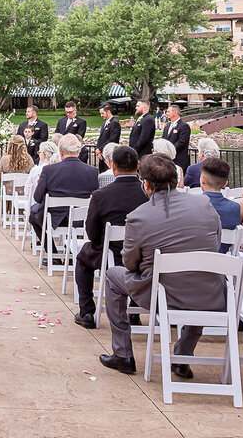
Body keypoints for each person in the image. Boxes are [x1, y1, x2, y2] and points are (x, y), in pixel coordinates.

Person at [98, 154, 223, 377]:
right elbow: (215, 244)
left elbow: (129, 263)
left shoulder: (139, 216)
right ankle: (183, 355)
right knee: (200, 276)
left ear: (145, 184)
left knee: (112, 275)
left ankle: (123, 353)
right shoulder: (204, 203)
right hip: (208, 293)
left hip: (162, 294)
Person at [74, 145, 146, 328]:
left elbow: (91, 232)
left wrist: (102, 242)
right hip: (143, 256)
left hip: (110, 254)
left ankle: (87, 311)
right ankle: (134, 312)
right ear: (138, 165)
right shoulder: (148, 194)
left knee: (83, 258)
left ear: (113, 166)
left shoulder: (100, 195)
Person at [30, 134, 98, 254]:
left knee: (33, 214)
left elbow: (37, 197)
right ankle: (72, 253)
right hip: (82, 219)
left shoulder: (49, 170)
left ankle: (53, 254)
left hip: (55, 219)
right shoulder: (92, 172)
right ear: (78, 151)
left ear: (60, 152)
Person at [199, 157, 241, 252]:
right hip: (224, 260)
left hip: (197, 261)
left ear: (203, 180)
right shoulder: (235, 208)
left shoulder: (193, 205)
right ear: (225, 184)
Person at [0, 136, 33, 223]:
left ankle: (5, 215)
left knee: (8, 187)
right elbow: (31, 175)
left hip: (8, 191)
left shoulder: (4, 159)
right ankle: (20, 216)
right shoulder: (29, 159)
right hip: (23, 191)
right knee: (18, 189)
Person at [25, 140, 59, 209]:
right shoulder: (59, 169)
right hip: (57, 205)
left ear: (43, 155)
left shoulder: (36, 170)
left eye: (39, 152)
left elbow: (27, 190)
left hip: (39, 205)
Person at [160, 105, 191, 171]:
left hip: (179, 159)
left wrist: (169, 150)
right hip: (167, 160)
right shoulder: (167, 126)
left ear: (175, 113)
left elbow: (182, 142)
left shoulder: (184, 126)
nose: (166, 113)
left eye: (168, 111)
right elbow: (164, 140)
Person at [94, 104, 121, 171]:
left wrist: (100, 149)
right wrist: (98, 150)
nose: (101, 115)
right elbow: (101, 138)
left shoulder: (115, 123)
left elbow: (113, 139)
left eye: (102, 113)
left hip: (109, 154)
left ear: (108, 112)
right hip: (102, 154)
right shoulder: (104, 123)